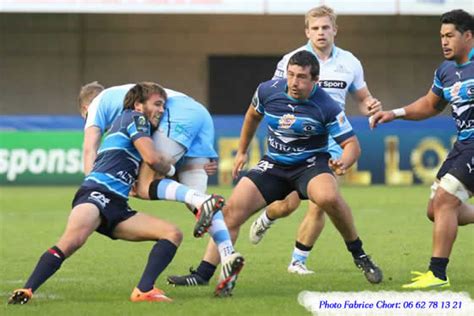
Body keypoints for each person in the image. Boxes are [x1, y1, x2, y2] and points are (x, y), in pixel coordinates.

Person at [168, 51, 383, 294]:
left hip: (310, 164)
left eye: (301, 77)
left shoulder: (326, 106)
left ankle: (360, 254)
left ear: (315, 80)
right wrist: (241, 151)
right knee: (231, 213)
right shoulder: (267, 91)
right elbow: (252, 116)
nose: (294, 82)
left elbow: (352, 145)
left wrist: (344, 162)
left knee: (328, 198)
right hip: (274, 165)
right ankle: (203, 274)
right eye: (291, 75)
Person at [8, 82, 187, 304]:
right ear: (139, 104)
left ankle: (143, 291)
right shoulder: (134, 118)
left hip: (118, 206)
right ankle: (26, 290)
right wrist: (174, 170)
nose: (162, 110)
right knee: (72, 240)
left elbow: (144, 177)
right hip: (97, 193)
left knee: (172, 233)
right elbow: (152, 159)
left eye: (164, 105)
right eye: (158, 104)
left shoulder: (137, 128)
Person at [248, 5, 383, 275]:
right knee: (287, 205)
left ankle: (298, 260)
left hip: (332, 138)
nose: (321, 33)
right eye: (315, 28)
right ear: (307, 31)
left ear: (335, 30)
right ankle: (269, 215)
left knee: (324, 200)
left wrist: (370, 104)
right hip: (295, 137)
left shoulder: (350, 62)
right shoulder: (292, 61)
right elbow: (275, 99)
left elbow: (362, 96)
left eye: (325, 27)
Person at [77, 82, 243, 295]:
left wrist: (92, 190)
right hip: (200, 115)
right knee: (196, 202)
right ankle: (228, 254)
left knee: (144, 186)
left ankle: (202, 202)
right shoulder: (124, 103)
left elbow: (89, 148)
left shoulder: (97, 105)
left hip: (178, 114)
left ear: (84, 109)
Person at [371, 9, 474, 289]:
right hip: (463, 143)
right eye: (441, 36)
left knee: (445, 200)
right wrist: (395, 113)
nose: (444, 41)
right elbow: (430, 105)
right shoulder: (446, 71)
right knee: (436, 210)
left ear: (468, 36)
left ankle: (437, 274)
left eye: (449, 35)